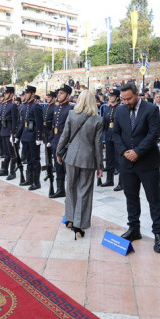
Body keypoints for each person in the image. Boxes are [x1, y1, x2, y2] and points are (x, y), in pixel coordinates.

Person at [113, 82, 160, 253]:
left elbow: (153, 134)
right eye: (123, 99)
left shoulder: (151, 109)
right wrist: (124, 152)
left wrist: (138, 152)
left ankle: (159, 234)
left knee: (154, 199)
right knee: (131, 197)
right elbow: (116, 133)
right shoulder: (120, 110)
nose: (126, 102)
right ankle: (134, 228)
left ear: (137, 94)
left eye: (129, 98)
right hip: (127, 162)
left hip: (147, 162)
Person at [56, 89, 103, 239]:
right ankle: (78, 224)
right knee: (84, 191)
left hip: (71, 157)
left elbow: (65, 136)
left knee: (70, 187)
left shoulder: (72, 115)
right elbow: (98, 146)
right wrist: (100, 166)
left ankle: (69, 218)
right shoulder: (98, 119)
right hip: (88, 159)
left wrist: (58, 152)